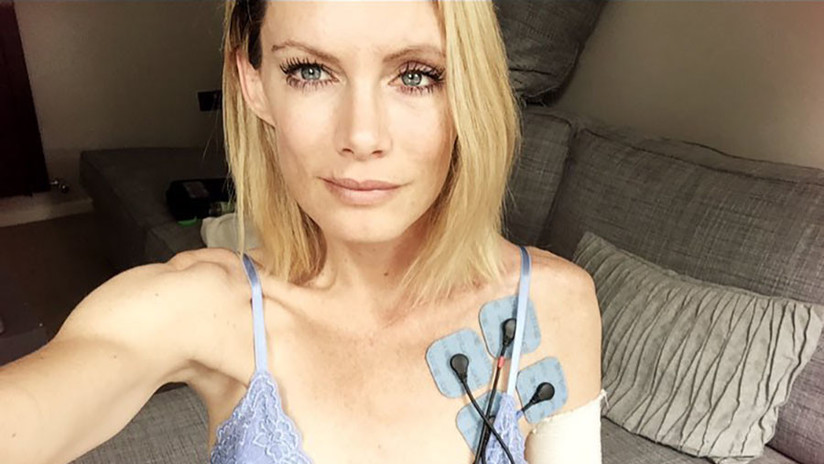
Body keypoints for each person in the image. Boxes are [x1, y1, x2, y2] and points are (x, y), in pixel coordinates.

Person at [0, 1, 604, 463]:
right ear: (254, 82)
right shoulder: (203, 309)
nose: (362, 136)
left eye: (418, 75)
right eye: (310, 70)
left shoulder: (552, 305)